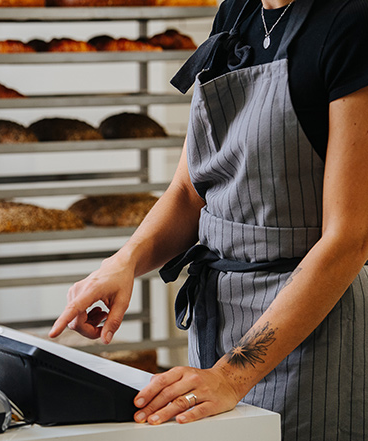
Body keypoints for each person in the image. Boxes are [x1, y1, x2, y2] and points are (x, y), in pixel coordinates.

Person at [48, 0, 368, 439]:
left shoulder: (352, 22)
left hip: (315, 330)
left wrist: (233, 375)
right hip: (218, 326)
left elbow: (349, 238)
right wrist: (124, 263)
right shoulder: (236, 13)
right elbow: (189, 192)